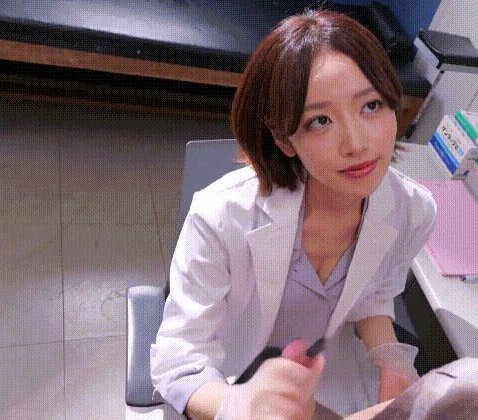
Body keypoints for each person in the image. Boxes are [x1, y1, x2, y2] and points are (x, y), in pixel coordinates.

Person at [150, 8, 437, 419]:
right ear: (283, 138)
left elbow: (374, 291)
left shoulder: (413, 210)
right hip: (231, 377)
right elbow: (179, 360)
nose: (357, 143)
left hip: (327, 369)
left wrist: (391, 361)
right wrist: (242, 406)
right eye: (320, 121)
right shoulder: (219, 216)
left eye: (371, 106)